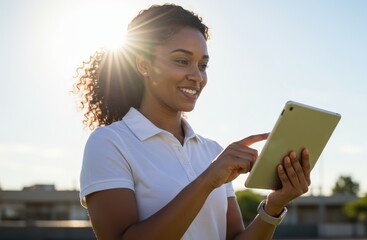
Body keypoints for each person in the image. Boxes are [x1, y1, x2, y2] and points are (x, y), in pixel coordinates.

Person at [74, 4, 311, 240]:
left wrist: (273, 206)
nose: (197, 76)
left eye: (203, 65)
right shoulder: (109, 144)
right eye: (181, 61)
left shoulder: (213, 152)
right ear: (144, 65)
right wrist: (207, 180)